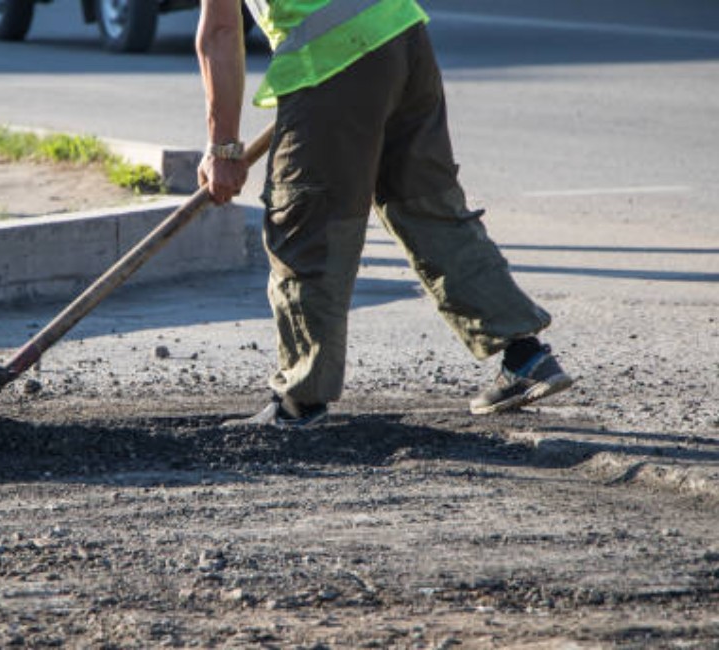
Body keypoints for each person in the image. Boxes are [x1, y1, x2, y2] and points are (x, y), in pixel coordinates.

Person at [195, 0, 574, 427]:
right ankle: (525, 358)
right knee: (427, 208)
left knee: (307, 223)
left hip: (330, 60)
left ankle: (301, 401)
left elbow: (221, 32)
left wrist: (224, 148)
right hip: (402, 35)